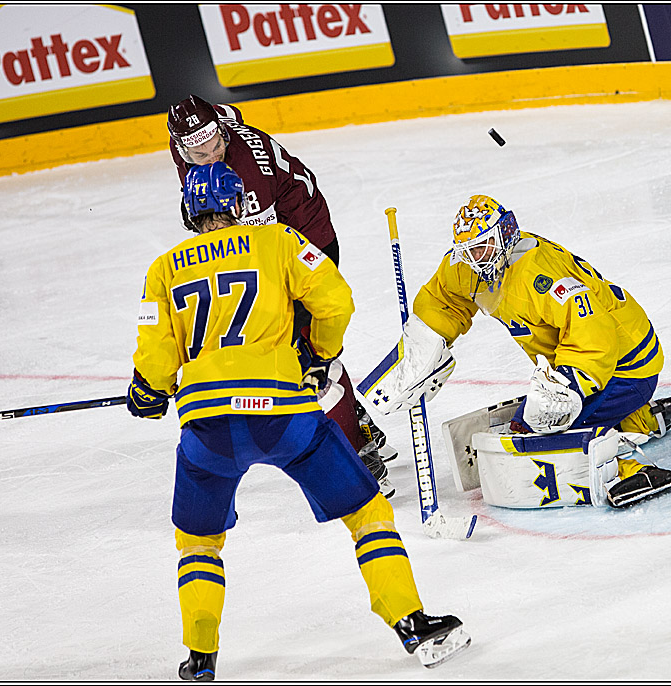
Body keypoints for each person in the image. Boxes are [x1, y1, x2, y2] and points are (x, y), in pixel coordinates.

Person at [127, 162, 470, 680]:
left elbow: (155, 357)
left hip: (208, 431)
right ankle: (411, 623)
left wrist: (147, 391)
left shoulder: (163, 269)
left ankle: (200, 657)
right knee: (368, 515)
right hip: (284, 416)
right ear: (239, 204)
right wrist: (318, 353)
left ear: (189, 212)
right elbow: (336, 300)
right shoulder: (280, 241)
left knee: (198, 544)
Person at [360, 195, 671, 509]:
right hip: (589, 357)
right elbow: (443, 301)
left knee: (537, 426)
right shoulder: (467, 266)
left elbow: (594, 333)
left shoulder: (540, 275)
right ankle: (639, 420)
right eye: (468, 250)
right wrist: (422, 350)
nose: (476, 258)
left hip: (627, 366)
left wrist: (569, 387)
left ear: (505, 235)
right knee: (541, 414)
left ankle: (622, 470)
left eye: (482, 246)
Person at [166, 94, 396, 496]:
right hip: (276, 235)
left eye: (217, 145)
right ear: (182, 144)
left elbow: (262, 250)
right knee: (301, 348)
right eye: (199, 150)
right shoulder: (198, 135)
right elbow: (229, 115)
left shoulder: (249, 177)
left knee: (306, 352)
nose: (211, 153)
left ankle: (359, 456)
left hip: (306, 240)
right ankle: (357, 421)